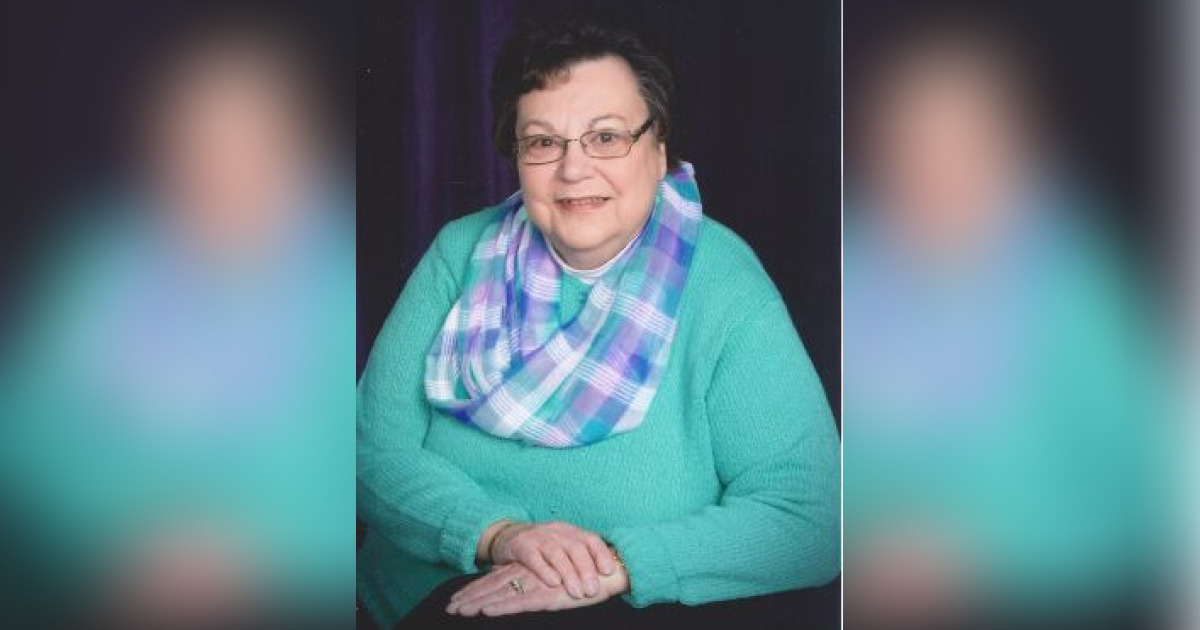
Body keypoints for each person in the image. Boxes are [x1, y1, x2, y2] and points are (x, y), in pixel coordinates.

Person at [357, 18, 840, 628]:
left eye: (606, 137)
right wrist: (498, 535)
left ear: (658, 150)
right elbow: (369, 449)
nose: (573, 169)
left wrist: (612, 566)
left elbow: (813, 517)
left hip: (621, 606)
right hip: (430, 596)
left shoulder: (724, 285)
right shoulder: (460, 252)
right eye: (543, 142)